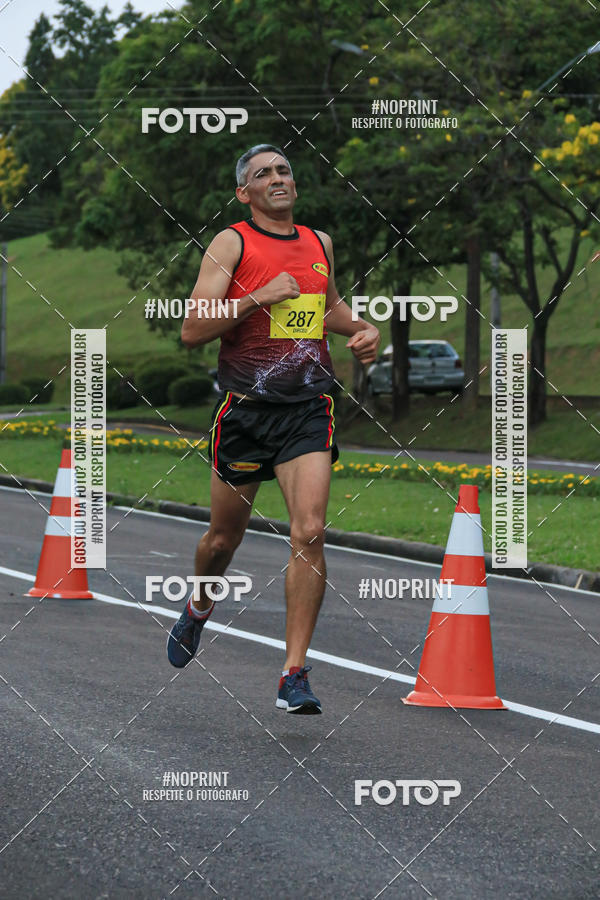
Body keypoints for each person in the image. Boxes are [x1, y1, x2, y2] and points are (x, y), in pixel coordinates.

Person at [166, 144, 380, 713]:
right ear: (245, 193)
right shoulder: (230, 242)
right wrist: (258, 295)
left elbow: (327, 309)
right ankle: (199, 607)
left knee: (309, 531)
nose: (278, 178)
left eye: (284, 169)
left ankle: (293, 674)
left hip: (308, 407)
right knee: (221, 541)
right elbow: (191, 329)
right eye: (263, 174)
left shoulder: (319, 243)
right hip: (245, 412)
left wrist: (360, 329)